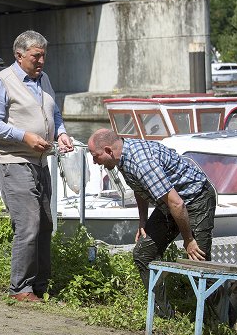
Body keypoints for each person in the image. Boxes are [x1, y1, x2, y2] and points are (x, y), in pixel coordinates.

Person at [0, 30, 73, 302]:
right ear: (19, 56)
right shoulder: (1, 82)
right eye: (36, 56)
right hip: (14, 161)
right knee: (29, 224)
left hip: (40, 161)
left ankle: (40, 286)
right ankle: (20, 289)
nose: (42, 60)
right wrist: (26, 137)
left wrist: (61, 132)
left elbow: (53, 113)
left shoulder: (43, 79)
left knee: (45, 224)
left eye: (44, 55)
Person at [87, 128, 216, 309]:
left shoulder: (141, 163)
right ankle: (164, 316)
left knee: (199, 264)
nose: (94, 161)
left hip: (196, 198)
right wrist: (143, 221)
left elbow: (177, 204)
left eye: (96, 156)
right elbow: (140, 187)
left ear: (108, 150)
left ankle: (220, 324)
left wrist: (188, 240)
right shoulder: (123, 157)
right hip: (171, 203)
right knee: (143, 254)